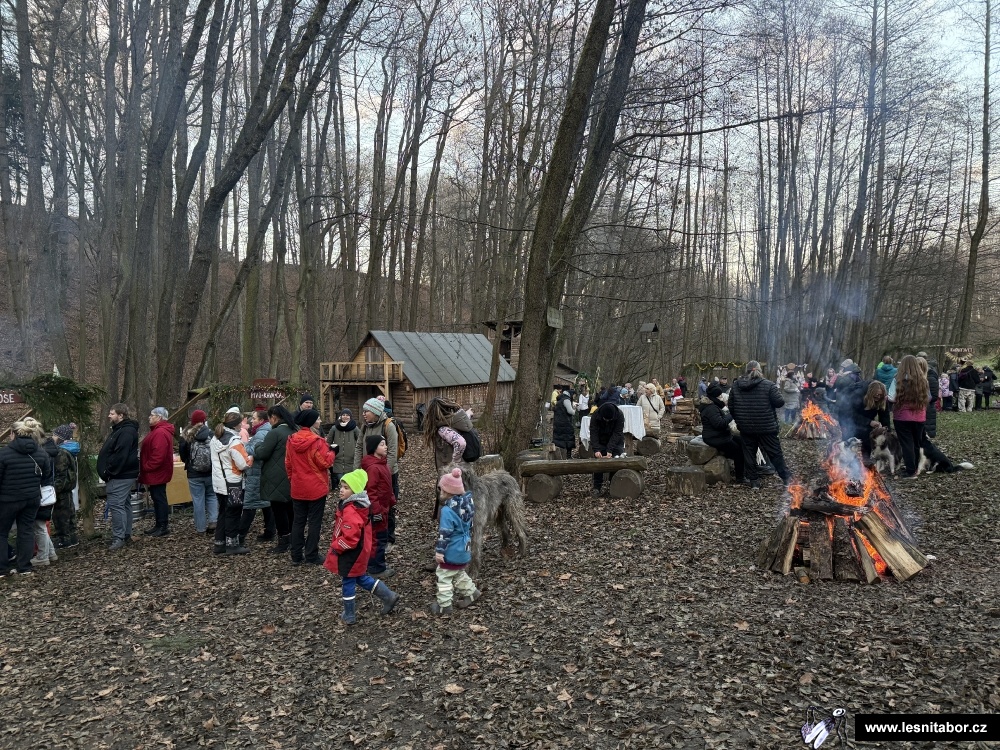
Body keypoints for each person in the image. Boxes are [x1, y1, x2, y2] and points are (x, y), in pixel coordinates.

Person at [324, 469, 400, 625]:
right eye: (341, 487)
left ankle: (349, 614)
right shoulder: (354, 506)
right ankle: (388, 596)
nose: (341, 490)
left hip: (352, 552)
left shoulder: (351, 510)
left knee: (348, 581)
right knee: (359, 577)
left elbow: (351, 538)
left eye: (346, 488)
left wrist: (337, 546)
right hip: (358, 551)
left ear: (355, 491)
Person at [728, 361, 793, 488]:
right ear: (759, 370)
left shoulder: (736, 386)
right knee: (775, 453)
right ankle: (786, 479)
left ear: (746, 371)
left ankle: (754, 482)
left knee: (749, 454)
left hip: (746, 427)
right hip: (767, 426)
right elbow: (779, 402)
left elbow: (731, 406)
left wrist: (740, 420)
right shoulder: (768, 385)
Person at [0, 418, 51, 577]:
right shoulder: (41, 453)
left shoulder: (3, 454)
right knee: (26, 531)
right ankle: (24, 567)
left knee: (1, 532)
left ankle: (2, 568)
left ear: (12, 434)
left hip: (7, 500)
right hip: (32, 498)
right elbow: (46, 476)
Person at [285, 408, 336, 565]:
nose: (320, 421)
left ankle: (296, 555)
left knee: (298, 521)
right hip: (316, 487)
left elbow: (288, 463)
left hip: (298, 487)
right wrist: (333, 452)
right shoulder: (317, 441)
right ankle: (311, 555)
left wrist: (293, 479)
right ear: (312, 422)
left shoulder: (291, 440)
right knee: (314, 521)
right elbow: (325, 462)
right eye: (318, 419)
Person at [430, 467, 481, 616]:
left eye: (441, 489)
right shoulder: (467, 505)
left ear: (448, 491)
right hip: (464, 547)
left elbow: (445, 533)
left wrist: (440, 552)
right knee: (458, 572)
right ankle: (471, 593)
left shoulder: (447, 511)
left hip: (452, 549)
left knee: (444, 576)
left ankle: (444, 605)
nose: (440, 492)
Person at [97, 403, 140, 551]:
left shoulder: (126, 431)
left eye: (112, 413)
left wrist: (109, 471)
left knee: (116, 505)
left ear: (121, 415)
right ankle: (125, 534)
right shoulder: (120, 429)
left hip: (121, 475)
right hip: (122, 474)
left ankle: (119, 537)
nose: (109, 415)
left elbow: (121, 455)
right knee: (124, 504)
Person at [255, 405, 296, 554]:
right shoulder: (294, 430)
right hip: (292, 475)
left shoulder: (275, 433)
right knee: (290, 508)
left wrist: (257, 445)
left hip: (275, 476)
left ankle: (283, 540)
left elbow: (262, 453)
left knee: (278, 510)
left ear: (274, 417)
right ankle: (294, 538)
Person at [211, 412, 253, 555]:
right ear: (237, 424)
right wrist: (251, 458)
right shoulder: (234, 441)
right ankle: (232, 544)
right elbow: (243, 464)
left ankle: (219, 543)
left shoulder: (216, 438)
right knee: (234, 513)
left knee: (223, 512)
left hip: (219, 482)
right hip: (233, 482)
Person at [697, 384, 747, 484]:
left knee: (743, 442)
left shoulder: (713, 406)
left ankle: (749, 469)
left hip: (720, 435)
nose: (722, 397)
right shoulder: (711, 408)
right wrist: (731, 414)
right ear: (715, 397)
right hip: (714, 438)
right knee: (738, 451)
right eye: (720, 396)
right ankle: (740, 477)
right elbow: (719, 424)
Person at [239, 409, 274, 547]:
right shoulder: (266, 431)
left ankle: (240, 536)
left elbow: (256, 451)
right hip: (263, 472)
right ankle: (270, 531)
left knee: (250, 504)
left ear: (261, 420)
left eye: (254, 418)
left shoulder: (260, 434)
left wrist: (245, 446)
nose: (251, 420)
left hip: (256, 473)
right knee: (266, 503)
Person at [361, 435, 395, 579]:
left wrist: (391, 500)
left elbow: (387, 486)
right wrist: (376, 511)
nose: (385, 447)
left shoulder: (382, 464)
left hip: (384, 508)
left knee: (381, 536)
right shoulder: (373, 468)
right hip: (377, 510)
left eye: (385, 444)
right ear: (374, 448)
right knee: (378, 539)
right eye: (382, 444)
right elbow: (371, 492)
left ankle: (375, 564)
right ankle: (376, 568)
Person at [139, 406, 175, 537]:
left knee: (159, 499)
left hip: (157, 472)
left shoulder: (160, 432)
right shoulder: (158, 431)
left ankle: (163, 526)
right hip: (156, 472)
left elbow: (158, 455)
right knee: (157, 498)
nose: (149, 417)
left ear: (159, 418)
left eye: (152, 415)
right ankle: (159, 524)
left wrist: (146, 466)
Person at [179, 409, 217, 534]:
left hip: (194, 474)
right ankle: (213, 521)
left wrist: (188, 462)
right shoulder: (211, 434)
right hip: (210, 472)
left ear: (192, 421)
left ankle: (201, 528)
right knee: (212, 496)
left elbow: (183, 454)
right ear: (204, 420)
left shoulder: (186, 435)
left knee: (198, 500)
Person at [890, 355, 928, 477]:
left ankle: (910, 470)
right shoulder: (923, 380)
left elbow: (891, 397)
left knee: (907, 443)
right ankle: (915, 468)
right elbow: (928, 397)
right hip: (919, 417)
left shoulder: (898, 379)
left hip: (902, 417)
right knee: (916, 443)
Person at [33, 427, 62, 567]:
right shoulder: (49, 451)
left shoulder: (41, 453)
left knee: (39, 525)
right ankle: (50, 552)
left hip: (41, 491)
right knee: (41, 525)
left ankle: (43, 556)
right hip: (48, 491)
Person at [422, 397, 472, 473]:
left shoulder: (443, 430)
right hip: (463, 468)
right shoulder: (455, 422)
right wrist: (468, 414)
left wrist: (454, 464)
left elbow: (461, 443)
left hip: (451, 473)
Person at [50, 424, 79, 549]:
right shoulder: (69, 450)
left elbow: (60, 474)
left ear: (59, 437)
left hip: (62, 489)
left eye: (54, 435)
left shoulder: (61, 453)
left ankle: (64, 539)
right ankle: (72, 537)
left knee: (61, 515)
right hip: (68, 487)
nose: (52, 437)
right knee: (69, 512)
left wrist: (55, 489)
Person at [590, 402, 625, 497]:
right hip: (601, 440)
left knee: (616, 459)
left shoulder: (619, 415)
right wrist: (596, 449)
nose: (607, 421)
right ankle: (597, 487)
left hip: (616, 441)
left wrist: (610, 450)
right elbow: (593, 432)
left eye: (609, 420)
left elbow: (617, 433)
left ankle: (613, 484)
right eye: (605, 419)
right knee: (598, 462)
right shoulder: (595, 415)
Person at [327, 408, 361, 490]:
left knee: (350, 483)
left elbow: (360, 441)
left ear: (350, 417)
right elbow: (328, 442)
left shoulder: (354, 428)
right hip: (338, 460)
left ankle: (348, 494)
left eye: (347, 415)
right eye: (343, 415)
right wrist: (331, 451)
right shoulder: (334, 428)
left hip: (351, 461)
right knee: (343, 481)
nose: (345, 417)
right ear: (341, 416)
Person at [551, 388, 576, 459]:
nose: (574, 397)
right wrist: (574, 408)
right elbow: (570, 411)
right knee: (568, 439)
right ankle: (568, 456)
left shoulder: (560, 400)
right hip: (565, 423)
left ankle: (560, 456)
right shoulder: (566, 400)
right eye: (574, 396)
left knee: (559, 440)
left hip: (558, 423)